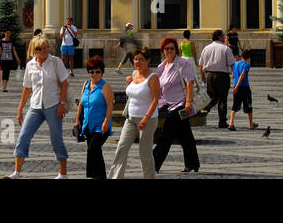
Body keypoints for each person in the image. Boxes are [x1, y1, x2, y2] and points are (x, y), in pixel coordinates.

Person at [8, 36, 70, 179]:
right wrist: (20, 109)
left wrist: (61, 104)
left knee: (56, 139)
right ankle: (16, 172)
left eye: (47, 47)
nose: (46, 50)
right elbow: (27, 88)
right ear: (35, 50)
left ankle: (63, 173)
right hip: (35, 106)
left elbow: (65, 83)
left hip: (53, 105)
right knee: (23, 136)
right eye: (42, 48)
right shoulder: (30, 65)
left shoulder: (56, 62)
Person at [109, 47, 160, 179]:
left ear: (148, 60)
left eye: (141, 59)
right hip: (131, 119)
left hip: (147, 120)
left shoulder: (153, 77)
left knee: (145, 152)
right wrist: (128, 84)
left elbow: (155, 100)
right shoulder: (133, 74)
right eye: (135, 59)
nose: (137, 62)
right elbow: (132, 96)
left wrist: (146, 118)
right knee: (121, 148)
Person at [152, 36, 199, 174]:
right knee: (185, 136)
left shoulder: (182, 64)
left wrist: (188, 102)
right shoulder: (162, 67)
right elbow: (158, 86)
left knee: (165, 136)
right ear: (163, 51)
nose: (170, 51)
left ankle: (153, 163)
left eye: (172, 48)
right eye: (167, 49)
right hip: (168, 106)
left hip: (181, 106)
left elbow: (189, 83)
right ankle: (193, 164)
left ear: (176, 50)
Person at [74, 56, 113, 179]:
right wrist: (76, 122)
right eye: (92, 72)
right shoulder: (86, 84)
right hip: (87, 125)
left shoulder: (105, 86)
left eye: (98, 71)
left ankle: (92, 175)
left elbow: (110, 105)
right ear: (88, 72)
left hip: (101, 126)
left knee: (92, 149)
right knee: (96, 152)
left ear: (102, 72)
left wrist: (106, 121)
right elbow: (81, 104)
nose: (95, 74)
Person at [197, 29, 235, 128]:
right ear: (219, 37)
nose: (225, 37)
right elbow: (232, 64)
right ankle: (222, 121)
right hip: (222, 75)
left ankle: (206, 107)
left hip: (209, 75)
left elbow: (201, 65)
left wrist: (202, 76)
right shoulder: (226, 48)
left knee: (212, 96)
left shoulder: (207, 48)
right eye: (223, 35)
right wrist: (235, 75)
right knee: (222, 99)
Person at [228, 48, 254, 131]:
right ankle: (250, 124)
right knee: (248, 105)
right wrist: (238, 85)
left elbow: (232, 75)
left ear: (241, 55)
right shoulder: (246, 65)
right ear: (249, 57)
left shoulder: (235, 64)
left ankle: (231, 123)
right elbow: (242, 75)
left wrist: (236, 86)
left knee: (235, 105)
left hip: (236, 86)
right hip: (244, 87)